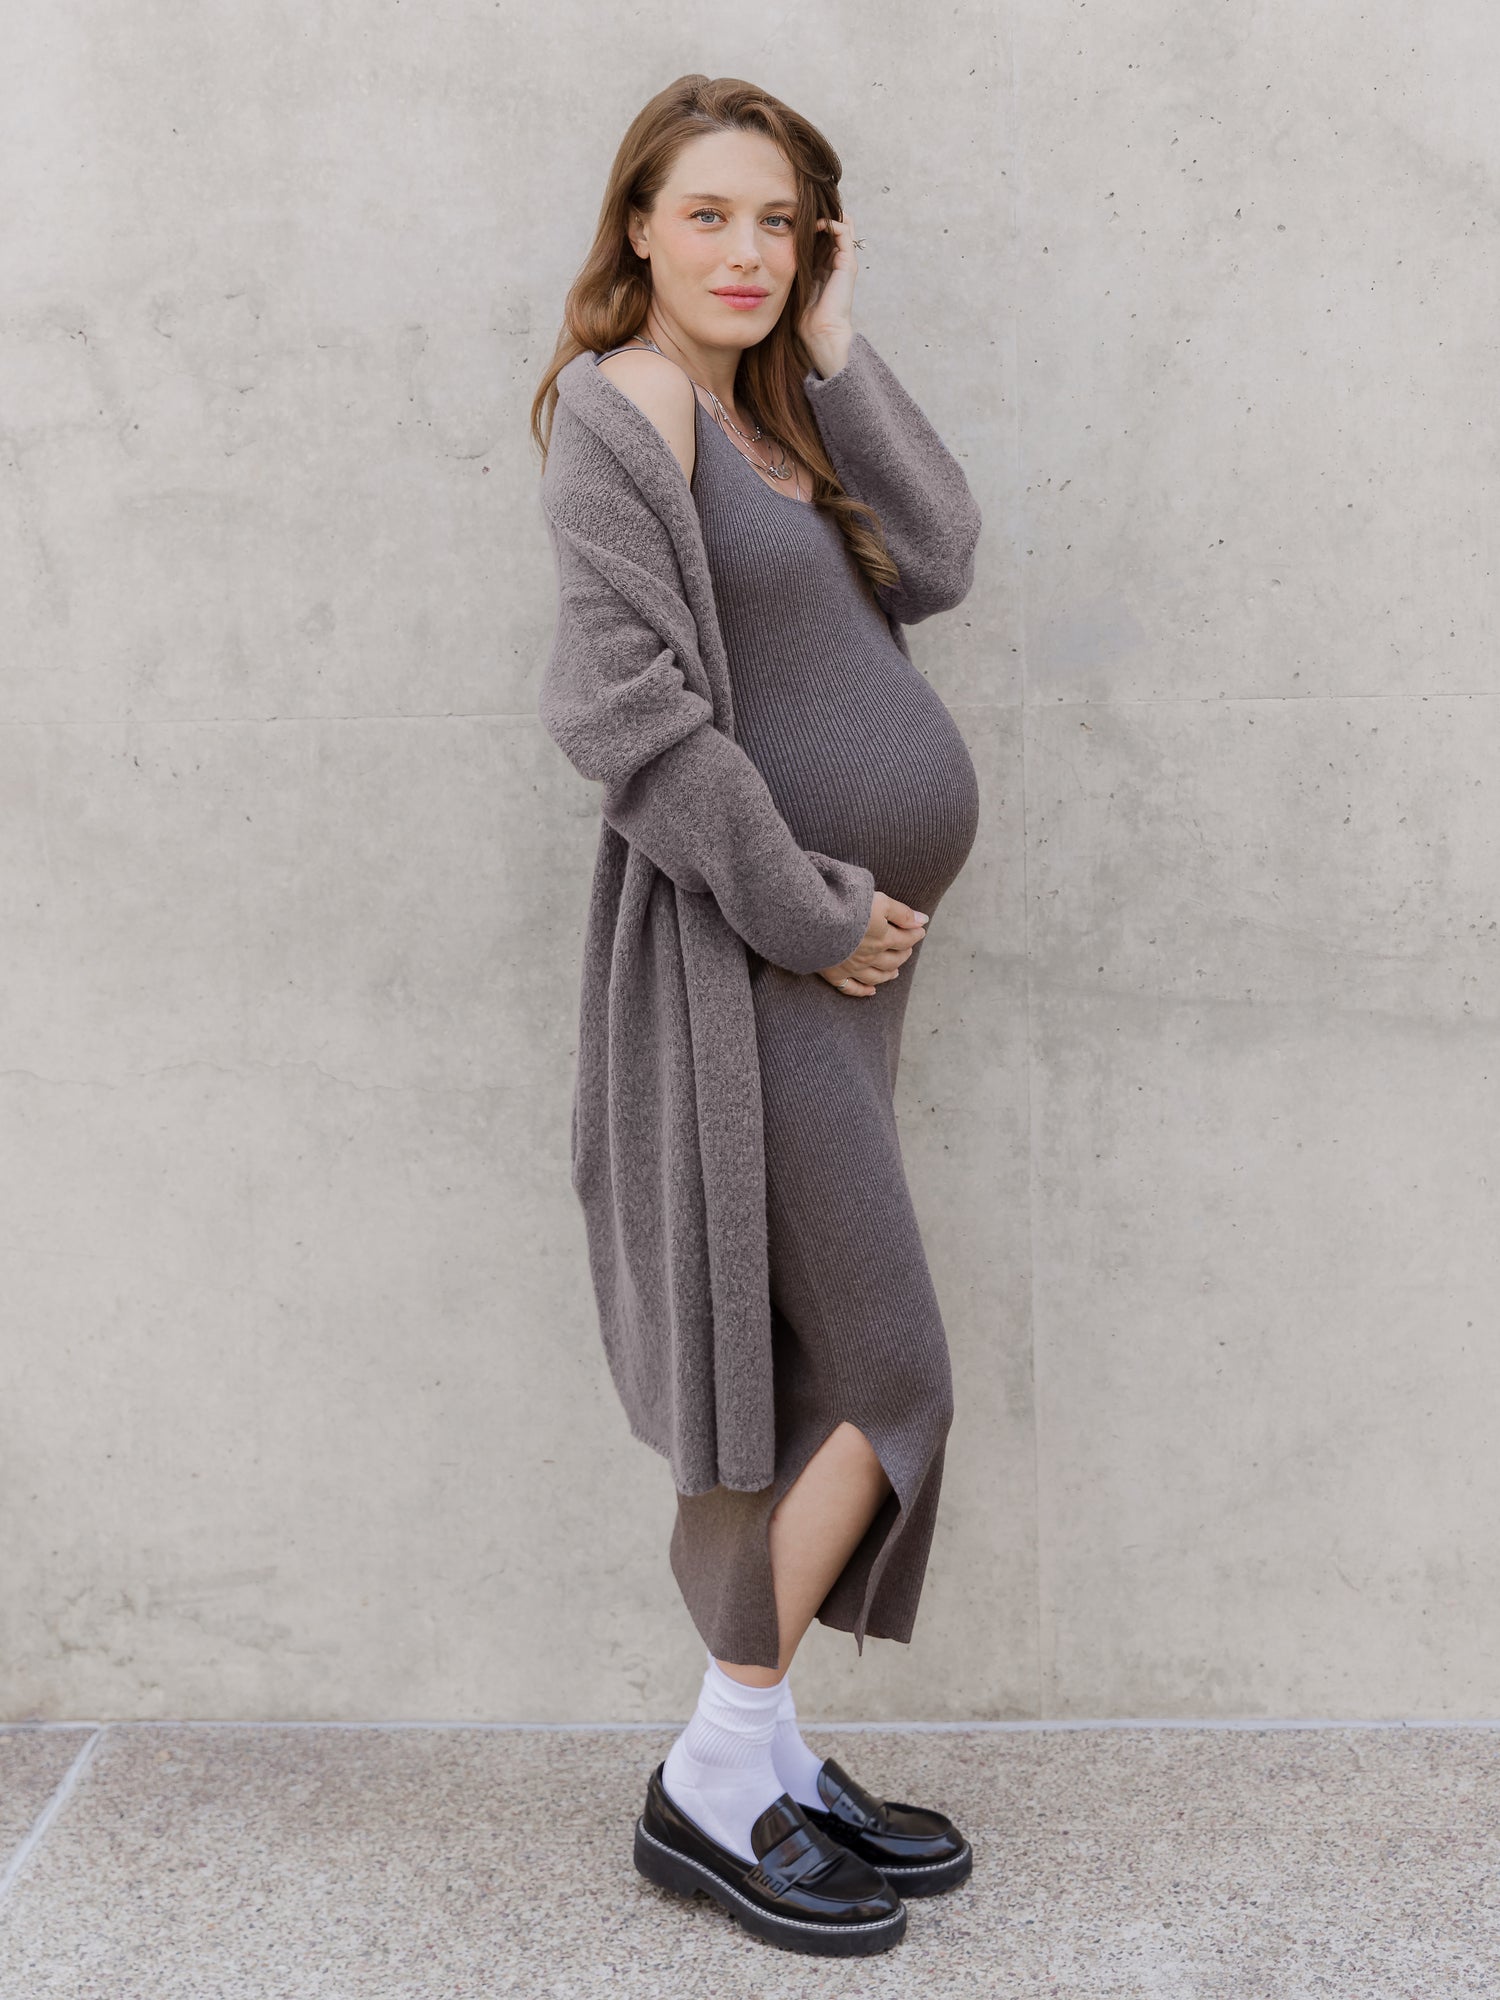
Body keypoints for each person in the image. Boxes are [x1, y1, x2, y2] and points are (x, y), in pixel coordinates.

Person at [532, 74, 982, 1959]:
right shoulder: (622, 419)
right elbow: (624, 716)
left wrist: (839, 352)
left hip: (826, 978)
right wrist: (809, 915)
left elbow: (941, 560)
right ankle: (713, 1778)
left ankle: (771, 1754)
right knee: (892, 1381)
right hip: (744, 975)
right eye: (707, 214)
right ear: (636, 224)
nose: (743, 250)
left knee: (801, 1395)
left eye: (778, 222)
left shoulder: (767, 413)